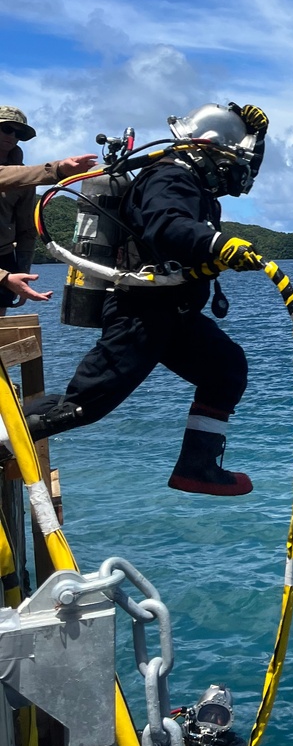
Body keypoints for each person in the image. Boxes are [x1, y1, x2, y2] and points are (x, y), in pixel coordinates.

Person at [22, 102, 269, 497]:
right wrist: (217, 243)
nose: (234, 170)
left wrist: (259, 138)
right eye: (231, 159)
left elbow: (215, 198)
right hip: (142, 314)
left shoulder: (191, 183)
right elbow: (167, 226)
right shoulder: (169, 177)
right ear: (209, 148)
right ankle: (4, 438)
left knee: (225, 368)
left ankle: (197, 466)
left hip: (175, 314)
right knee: (83, 406)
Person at [0, 105, 98, 314]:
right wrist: (57, 169)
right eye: (6, 128)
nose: (12, 136)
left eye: (18, 133)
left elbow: (26, 230)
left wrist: (21, 276)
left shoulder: (25, 178)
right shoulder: (26, 176)